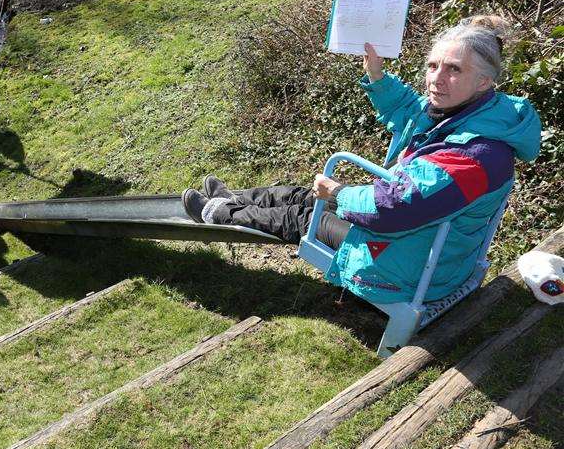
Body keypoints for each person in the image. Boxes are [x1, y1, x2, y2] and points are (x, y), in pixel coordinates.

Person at [183, 16, 542, 305]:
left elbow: (392, 210)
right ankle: (236, 199)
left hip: (412, 262)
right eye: (433, 65)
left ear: (483, 82)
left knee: (305, 215)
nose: (436, 79)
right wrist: (377, 75)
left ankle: (219, 214)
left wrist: (339, 193)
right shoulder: (471, 113)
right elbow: (409, 109)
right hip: (422, 241)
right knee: (300, 194)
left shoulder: (477, 156)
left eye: (453, 69)